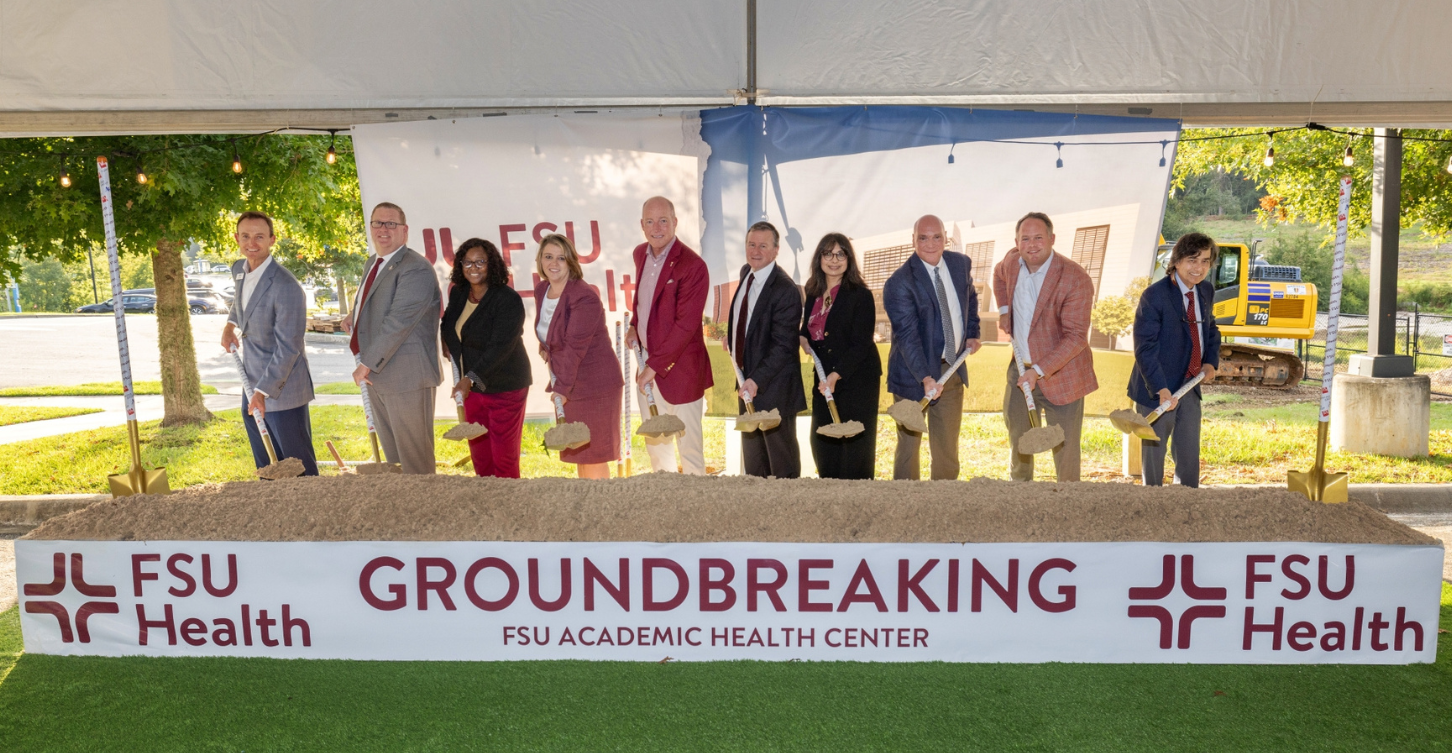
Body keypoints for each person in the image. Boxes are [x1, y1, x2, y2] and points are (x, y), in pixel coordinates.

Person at [992, 212, 1097, 482]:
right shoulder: (1011, 262)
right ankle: (1021, 495)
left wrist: (1038, 371)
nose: (1032, 245)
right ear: (1016, 242)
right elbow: (998, 276)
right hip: (1020, 371)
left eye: (1038, 238)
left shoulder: (1075, 278)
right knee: (1020, 443)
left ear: (1052, 239)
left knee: (1064, 451)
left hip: (1063, 376)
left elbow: (1076, 337)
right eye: (1025, 239)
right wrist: (1004, 311)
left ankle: (1067, 500)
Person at [346, 202, 443, 475]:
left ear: (404, 230)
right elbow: (378, 304)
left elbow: (399, 320)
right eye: (378, 223)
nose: (383, 229)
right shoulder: (373, 263)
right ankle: (402, 503)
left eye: (391, 223)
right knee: (394, 463)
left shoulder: (415, 268)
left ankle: (425, 503)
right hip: (378, 376)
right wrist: (354, 316)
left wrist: (366, 363)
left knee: (415, 464)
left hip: (407, 377)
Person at [220, 211, 318, 476]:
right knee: (266, 466)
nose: (251, 243)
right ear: (236, 238)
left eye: (259, 237)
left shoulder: (286, 286)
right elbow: (241, 302)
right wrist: (230, 325)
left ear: (272, 239)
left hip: (282, 390)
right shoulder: (239, 270)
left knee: (298, 468)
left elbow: (289, 347)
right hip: (251, 382)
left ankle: (310, 502)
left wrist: (262, 392)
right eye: (245, 236)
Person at [883, 215, 981, 480]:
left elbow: (970, 298)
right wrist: (925, 377)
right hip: (912, 375)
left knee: (947, 448)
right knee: (908, 448)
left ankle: (944, 500)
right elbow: (907, 336)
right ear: (913, 240)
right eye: (923, 238)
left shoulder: (960, 264)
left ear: (945, 237)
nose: (930, 244)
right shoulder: (899, 282)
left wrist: (972, 332)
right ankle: (907, 500)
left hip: (950, 370)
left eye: (937, 236)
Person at [625, 196, 714, 475]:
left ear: (675, 222)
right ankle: (664, 500)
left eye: (663, 220)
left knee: (690, 452)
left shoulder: (693, 266)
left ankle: (696, 501)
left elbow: (685, 326)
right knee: (657, 451)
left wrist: (652, 367)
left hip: (681, 371)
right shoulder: (640, 254)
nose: (657, 228)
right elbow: (645, 301)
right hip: (647, 366)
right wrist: (634, 325)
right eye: (650, 221)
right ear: (642, 225)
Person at [1128, 232, 1221, 487]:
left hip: (1190, 386)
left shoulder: (1206, 290)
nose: (1199, 268)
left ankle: (1187, 501)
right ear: (1177, 261)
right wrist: (1160, 388)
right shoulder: (1154, 296)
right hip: (1157, 389)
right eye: (1192, 260)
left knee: (1189, 454)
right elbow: (1145, 347)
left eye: (1205, 261)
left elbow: (1211, 329)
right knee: (1154, 457)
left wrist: (1210, 361)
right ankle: (1152, 502)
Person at [534, 234, 624, 479]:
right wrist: (546, 346)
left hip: (595, 386)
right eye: (548, 256)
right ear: (540, 260)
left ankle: (601, 503)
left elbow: (575, 347)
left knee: (594, 457)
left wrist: (561, 388)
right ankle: (587, 503)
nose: (554, 263)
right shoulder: (542, 289)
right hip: (569, 382)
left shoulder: (584, 296)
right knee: (580, 456)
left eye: (561, 258)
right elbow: (552, 328)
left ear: (571, 261)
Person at [441, 238, 533, 478]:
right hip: (472, 390)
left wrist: (469, 378)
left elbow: (499, 347)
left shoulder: (508, 299)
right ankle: (486, 498)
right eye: (468, 262)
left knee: (503, 457)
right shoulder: (459, 293)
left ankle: (509, 500)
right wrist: (446, 341)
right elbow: (448, 322)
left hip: (505, 386)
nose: (474, 267)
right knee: (480, 456)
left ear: (492, 264)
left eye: (480, 262)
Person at [726, 221, 805, 478]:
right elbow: (748, 320)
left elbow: (784, 345)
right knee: (754, 465)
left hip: (774, 390)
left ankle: (787, 505)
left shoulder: (786, 289)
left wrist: (755, 380)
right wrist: (733, 337)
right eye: (751, 244)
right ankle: (756, 503)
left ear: (776, 250)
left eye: (763, 245)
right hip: (747, 385)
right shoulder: (746, 273)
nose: (755, 251)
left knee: (781, 466)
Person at [800, 232, 881, 480]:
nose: (834, 260)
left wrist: (836, 375)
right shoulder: (812, 291)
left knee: (854, 448)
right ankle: (830, 495)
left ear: (849, 259)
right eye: (828, 253)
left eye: (840, 254)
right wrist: (802, 337)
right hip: (824, 377)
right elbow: (807, 329)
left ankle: (856, 499)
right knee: (822, 442)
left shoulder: (861, 295)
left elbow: (861, 343)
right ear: (819, 258)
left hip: (856, 379)